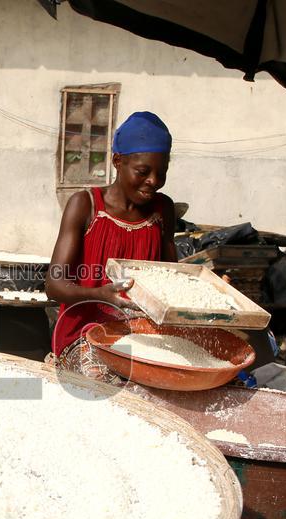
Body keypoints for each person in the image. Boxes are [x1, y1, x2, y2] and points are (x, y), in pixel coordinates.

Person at [45, 111, 177, 380]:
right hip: (85, 333)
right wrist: (100, 294)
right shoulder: (86, 205)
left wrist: (207, 289)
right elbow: (54, 285)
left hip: (142, 334)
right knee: (106, 385)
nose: (153, 180)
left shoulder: (163, 210)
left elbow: (170, 279)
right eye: (143, 171)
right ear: (118, 161)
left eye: (161, 173)